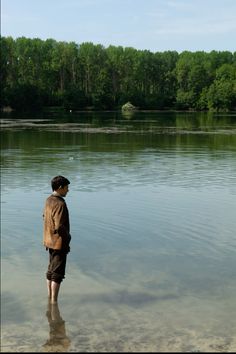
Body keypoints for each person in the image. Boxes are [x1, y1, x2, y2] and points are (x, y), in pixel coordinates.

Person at [43, 175, 71, 303]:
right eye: (66, 187)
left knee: (50, 271)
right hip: (59, 243)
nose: (68, 190)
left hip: (49, 241)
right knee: (57, 274)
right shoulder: (60, 203)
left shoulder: (48, 200)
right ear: (60, 188)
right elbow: (59, 225)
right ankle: (54, 302)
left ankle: (50, 297)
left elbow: (44, 216)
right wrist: (68, 237)